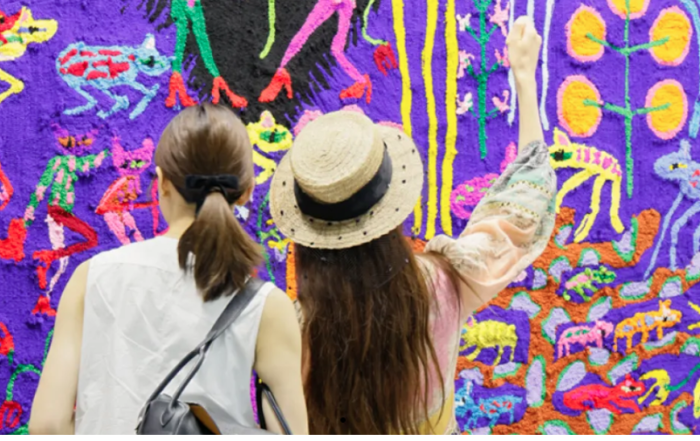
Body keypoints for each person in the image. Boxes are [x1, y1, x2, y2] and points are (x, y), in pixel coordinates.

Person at [268, 16, 554, 434]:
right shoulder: (443, 285)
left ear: (307, 235)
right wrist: (525, 81)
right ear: (390, 207)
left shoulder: (291, 334)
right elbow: (524, 204)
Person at [29, 104, 308, 435]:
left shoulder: (91, 278)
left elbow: (47, 426)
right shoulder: (267, 305)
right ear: (247, 192)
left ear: (161, 183)